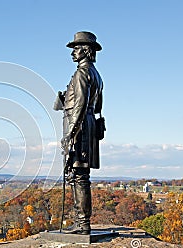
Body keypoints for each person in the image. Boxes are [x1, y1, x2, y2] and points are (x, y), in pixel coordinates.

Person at [54, 31, 104, 235]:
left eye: (76, 48)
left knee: (79, 176)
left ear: (85, 50)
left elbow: (81, 106)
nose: (72, 52)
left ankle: (83, 223)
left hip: (81, 128)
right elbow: (97, 104)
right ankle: (81, 222)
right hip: (88, 125)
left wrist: (70, 135)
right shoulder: (96, 74)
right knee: (79, 175)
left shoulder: (82, 73)